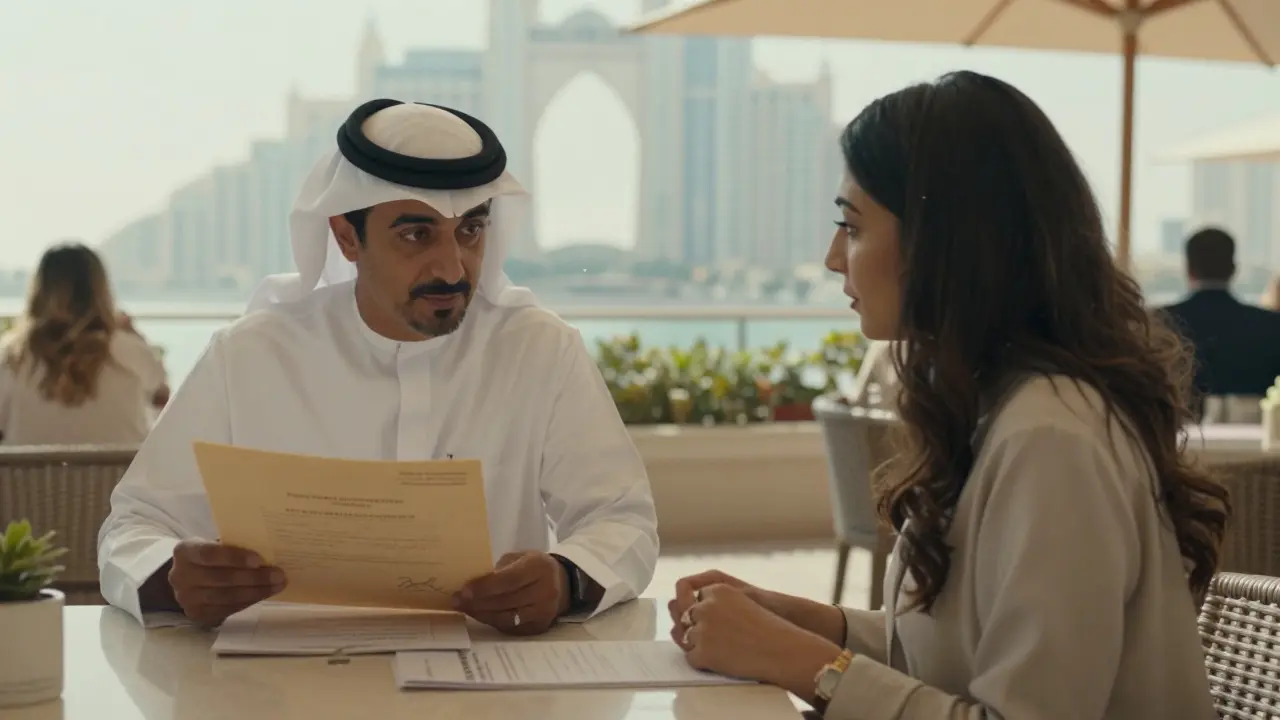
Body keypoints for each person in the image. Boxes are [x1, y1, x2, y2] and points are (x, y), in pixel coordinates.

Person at [668, 71, 1227, 719]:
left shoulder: (1052, 440)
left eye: (851, 227)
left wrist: (803, 662)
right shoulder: (1000, 408)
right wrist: (811, 625)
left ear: (943, 243)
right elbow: (960, 657)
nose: (831, 258)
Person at [98, 99, 659, 632]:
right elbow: (133, 525)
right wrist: (170, 579)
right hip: (283, 685)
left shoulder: (540, 351)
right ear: (346, 236)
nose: (451, 266)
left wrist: (567, 579)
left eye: (470, 230)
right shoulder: (249, 357)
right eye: (416, 234)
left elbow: (621, 517)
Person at [0, 242, 168, 445]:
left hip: (29, 477)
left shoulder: (12, 357)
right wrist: (136, 336)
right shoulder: (129, 350)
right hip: (121, 477)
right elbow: (165, 402)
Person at [1160, 227, 1280, 415]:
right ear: (1233, 269)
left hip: (1176, 435)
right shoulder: (1272, 326)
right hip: (1256, 438)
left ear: (1188, 269)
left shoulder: (1159, 324)